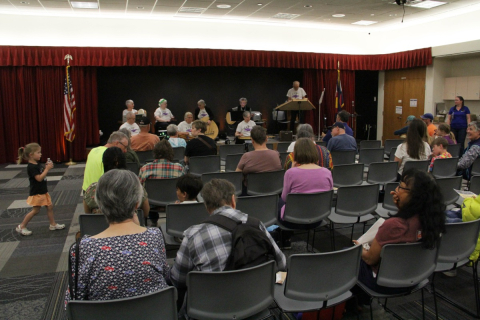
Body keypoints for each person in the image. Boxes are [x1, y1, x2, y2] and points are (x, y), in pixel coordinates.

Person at [65, 170, 170, 303]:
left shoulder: (83, 248)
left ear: (101, 207)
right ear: (137, 204)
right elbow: (166, 278)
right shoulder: (154, 236)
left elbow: (73, 302)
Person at [170, 178, 286, 289]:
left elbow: (178, 279)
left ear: (206, 206)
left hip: (211, 305)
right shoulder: (256, 224)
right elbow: (281, 262)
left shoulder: (193, 235)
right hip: (256, 298)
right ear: (233, 200)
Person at [353, 169, 445, 301]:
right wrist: (402, 208)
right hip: (416, 277)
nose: (396, 190)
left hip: (385, 283)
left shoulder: (394, 225)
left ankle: (356, 303)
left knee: (348, 256)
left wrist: (359, 249)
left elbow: (370, 259)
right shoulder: (432, 220)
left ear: (415, 195)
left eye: (401, 187)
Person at [277, 138, 334, 247]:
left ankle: (285, 240)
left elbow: (285, 198)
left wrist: (292, 169)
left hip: (292, 220)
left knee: (277, 200)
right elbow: (329, 196)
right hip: (318, 217)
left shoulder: (291, 173)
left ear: (296, 153)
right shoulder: (327, 172)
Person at [83, 147, 150, 218]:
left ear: (104, 163)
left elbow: (88, 215)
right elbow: (145, 213)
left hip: (99, 228)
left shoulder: (92, 189)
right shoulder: (136, 186)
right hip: (129, 227)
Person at [15, 143, 65, 236]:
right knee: (36, 210)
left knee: (49, 207)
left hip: (43, 191)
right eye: (38, 152)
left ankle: (53, 224)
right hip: (37, 192)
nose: (41, 154)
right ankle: (21, 226)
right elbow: (39, 178)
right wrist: (47, 169)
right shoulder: (31, 167)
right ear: (31, 155)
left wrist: (46, 166)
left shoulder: (37, 164)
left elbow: (41, 172)